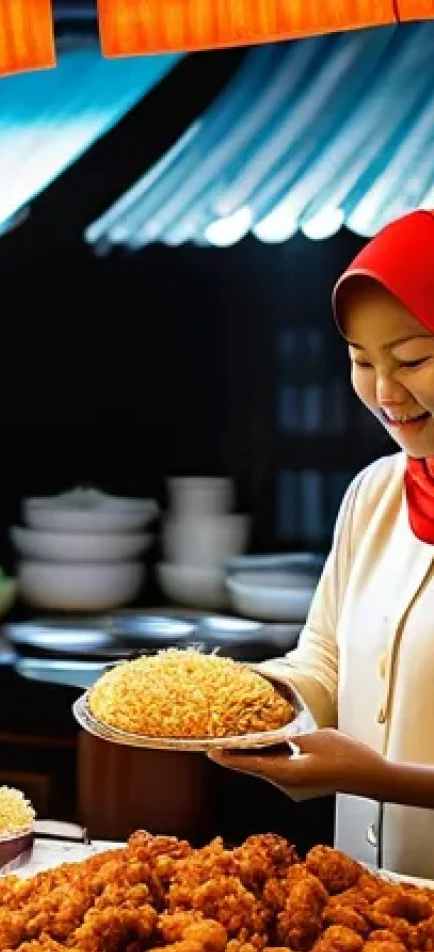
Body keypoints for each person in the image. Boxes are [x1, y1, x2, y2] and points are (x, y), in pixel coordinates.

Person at [208, 209, 434, 878]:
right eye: (362, 361)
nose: (386, 393)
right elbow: (325, 665)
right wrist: (249, 703)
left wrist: (384, 777)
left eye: (414, 358)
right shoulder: (374, 495)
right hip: (364, 909)